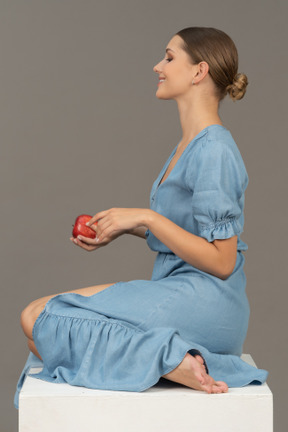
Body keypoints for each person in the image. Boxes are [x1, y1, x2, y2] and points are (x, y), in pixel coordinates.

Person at [19, 27, 268, 396]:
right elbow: (189, 232)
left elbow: (222, 261)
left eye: (168, 57)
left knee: (39, 318)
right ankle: (173, 363)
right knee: (41, 333)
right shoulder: (190, 143)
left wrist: (145, 217)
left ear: (199, 72)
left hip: (209, 300)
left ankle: (170, 358)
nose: (157, 66)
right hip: (178, 288)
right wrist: (125, 228)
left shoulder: (214, 149)